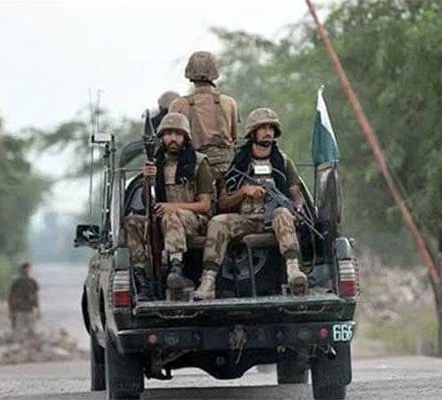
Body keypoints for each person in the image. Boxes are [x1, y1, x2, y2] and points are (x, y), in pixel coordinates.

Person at [193, 108, 307, 300]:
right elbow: (223, 202)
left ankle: (293, 271)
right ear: (252, 133)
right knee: (218, 222)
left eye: (271, 128)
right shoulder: (238, 163)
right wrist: (244, 192)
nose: (267, 132)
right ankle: (208, 281)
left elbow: (296, 194)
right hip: (246, 219)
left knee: (283, 213)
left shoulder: (283, 162)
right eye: (262, 128)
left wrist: (296, 207)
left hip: (274, 221)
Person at [125, 112, 213, 300]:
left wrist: (173, 207)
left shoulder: (199, 163)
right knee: (132, 222)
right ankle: (142, 280)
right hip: (163, 218)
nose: (173, 138)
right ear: (162, 137)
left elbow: (205, 205)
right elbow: (148, 202)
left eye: (177, 134)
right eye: (168, 133)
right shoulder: (156, 163)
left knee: (170, 215)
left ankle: (176, 268)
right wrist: (148, 179)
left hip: (194, 221)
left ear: (185, 137)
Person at [169, 51, 239, 199]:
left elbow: (171, 139)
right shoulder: (229, 102)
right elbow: (234, 138)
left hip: (195, 168)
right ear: (214, 72)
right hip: (227, 168)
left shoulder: (179, 104)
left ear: (189, 72)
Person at [7, 262, 40, 344]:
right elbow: (10, 297)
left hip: (29, 309)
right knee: (18, 329)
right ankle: (17, 345)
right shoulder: (16, 283)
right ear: (21, 270)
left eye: (28, 269)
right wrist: (11, 311)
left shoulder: (32, 282)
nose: (26, 270)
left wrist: (38, 310)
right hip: (19, 309)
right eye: (25, 269)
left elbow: (36, 296)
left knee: (31, 329)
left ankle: (30, 345)